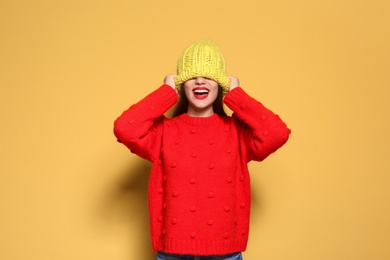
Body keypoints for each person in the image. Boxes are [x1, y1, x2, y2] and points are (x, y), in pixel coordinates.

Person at [114, 40, 291, 260]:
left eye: (209, 76)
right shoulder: (163, 132)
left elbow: (278, 133)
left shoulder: (237, 132)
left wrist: (237, 94)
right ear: (182, 84)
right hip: (173, 254)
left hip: (225, 254)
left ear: (220, 84)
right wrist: (165, 91)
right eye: (191, 76)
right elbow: (124, 128)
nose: (200, 80)